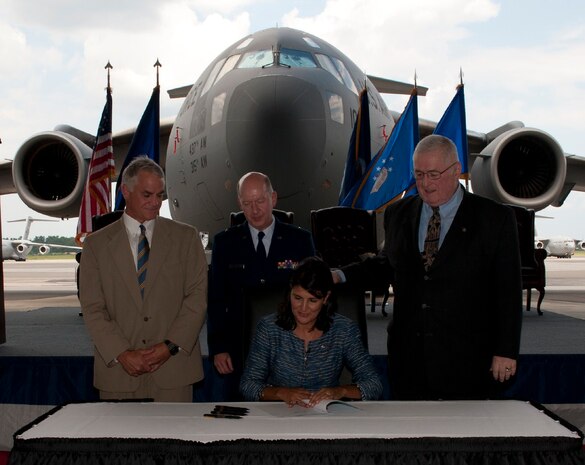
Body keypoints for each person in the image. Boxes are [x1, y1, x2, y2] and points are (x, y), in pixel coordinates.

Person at [336, 135, 523, 400]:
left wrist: (506, 350)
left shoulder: (494, 218)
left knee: (463, 439)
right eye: (419, 174)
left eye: (434, 174)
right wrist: (339, 275)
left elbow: (508, 290)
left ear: (456, 170)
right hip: (409, 359)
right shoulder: (398, 213)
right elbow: (386, 264)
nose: (425, 183)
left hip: (468, 360)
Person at [80, 156, 207, 402]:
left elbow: (197, 298)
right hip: (119, 372)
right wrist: (122, 353)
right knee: (121, 441)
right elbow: (93, 307)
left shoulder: (186, 238)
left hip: (174, 371)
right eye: (147, 195)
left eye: (160, 195)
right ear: (125, 191)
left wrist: (168, 347)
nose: (155, 203)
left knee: (175, 441)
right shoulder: (95, 245)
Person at [207, 171, 315, 399]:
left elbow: (313, 296)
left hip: (289, 348)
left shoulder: (300, 241)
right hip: (239, 350)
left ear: (273, 198)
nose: (254, 210)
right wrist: (218, 347)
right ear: (239, 203)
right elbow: (216, 299)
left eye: (260, 201)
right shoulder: (225, 243)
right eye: (247, 203)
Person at [240, 256, 382, 405]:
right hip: (280, 413)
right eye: (297, 298)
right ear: (290, 293)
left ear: (326, 298)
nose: (303, 308)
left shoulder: (343, 330)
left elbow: (373, 384)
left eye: (313, 300)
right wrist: (280, 392)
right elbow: (248, 385)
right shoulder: (269, 328)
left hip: (326, 417)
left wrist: (341, 391)